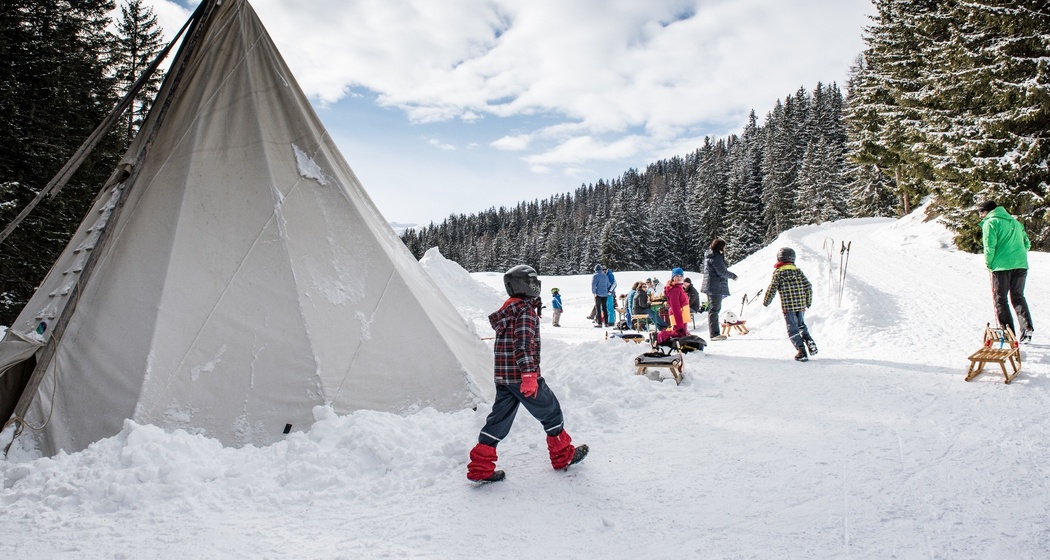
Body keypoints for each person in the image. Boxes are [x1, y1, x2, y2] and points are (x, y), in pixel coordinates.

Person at [466, 265, 588, 483]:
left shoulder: (508, 310)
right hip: (522, 377)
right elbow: (523, 344)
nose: (537, 286)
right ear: (526, 285)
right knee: (551, 412)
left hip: (504, 378)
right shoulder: (524, 311)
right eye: (533, 281)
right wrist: (530, 375)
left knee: (499, 420)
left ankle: (480, 468)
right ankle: (562, 456)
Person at [978, 200, 1034, 343]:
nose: (980, 216)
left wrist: (989, 264)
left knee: (1000, 298)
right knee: (1017, 296)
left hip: (1001, 267)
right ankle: (1026, 328)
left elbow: (989, 246)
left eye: (981, 212)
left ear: (987, 211)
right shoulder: (1015, 223)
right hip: (1021, 265)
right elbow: (1027, 244)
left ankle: (1007, 332)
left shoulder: (990, 223)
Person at [762, 247, 818, 362]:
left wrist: (766, 301)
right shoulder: (798, 272)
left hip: (788, 307)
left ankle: (801, 350)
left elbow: (772, 288)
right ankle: (808, 339)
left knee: (792, 329)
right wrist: (808, 301)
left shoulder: (779, 273)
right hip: (801, 305)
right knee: (801, 325)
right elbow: (808, 286)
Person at [700, 238, 738, 341]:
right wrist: (733, 276)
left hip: (711, 285)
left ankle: (714, 333)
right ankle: (714, 334)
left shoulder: (711, 255)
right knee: (714, 309)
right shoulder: (715, 257)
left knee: (713, 309)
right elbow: (721, 272)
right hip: (715, 286)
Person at [656, 267, 691, 344]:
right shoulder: (674, 290)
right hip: (678, 316)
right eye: (677, 276)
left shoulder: (679, 287)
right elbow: (675, 307)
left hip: (683, 316)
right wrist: (679, 324)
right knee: (678, 334)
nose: (679, 278)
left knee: (682, 335)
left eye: (680, 276)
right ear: (673, 277)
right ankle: (660, 336)